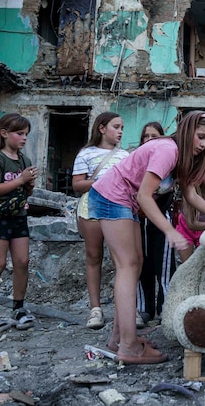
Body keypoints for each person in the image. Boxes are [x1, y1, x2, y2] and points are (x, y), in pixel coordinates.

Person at [91, 111, 205, 364]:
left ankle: (118, 338)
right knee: (128, 266)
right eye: (200, 137)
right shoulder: (168, 150)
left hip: (125, 201)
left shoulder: (183, 158)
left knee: (135, 264)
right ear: (187, 130)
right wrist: (170, 231)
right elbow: (145, 196)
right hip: (111, 196)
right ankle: (129, 346)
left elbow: (191, 195)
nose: (203, 144)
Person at [0, 113, 38, 332]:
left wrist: (28, 185)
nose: (24, 138)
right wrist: (21, 180)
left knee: (22, 261)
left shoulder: (24, 161)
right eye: (19, 133)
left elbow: (25, 192)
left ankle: (19, 308)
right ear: (4, 133)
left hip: (18, 216)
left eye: (26, 134)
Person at [71, 112, 129, 330]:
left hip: (118, 208)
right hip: (92, 207)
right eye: (116, 127)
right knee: (94, 256)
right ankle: (95, 309)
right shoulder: (86, 154)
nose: (120, 131)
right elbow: (77, 184)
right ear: (102, 128)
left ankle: (125, 309)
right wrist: (102, 181)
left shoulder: (124, 155)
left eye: (122, 127)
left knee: (120, 260)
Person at [135, 122, 176, 326]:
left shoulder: (167, 161)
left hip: (161, 217)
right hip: (139, 218)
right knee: (141, 262)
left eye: (154, 136)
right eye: (146, 136)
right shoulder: (137, 161)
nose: (150, 140)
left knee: (165, 264)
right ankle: (144, 309)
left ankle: (165, 307)